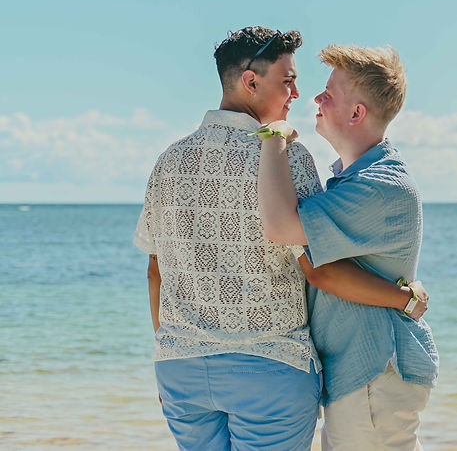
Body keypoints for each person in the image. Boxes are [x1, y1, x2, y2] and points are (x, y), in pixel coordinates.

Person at [134, 27, 426, 451]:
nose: (297, 93)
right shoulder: (287, 157)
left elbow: (154, 270)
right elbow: (317, 267)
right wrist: (404, 298)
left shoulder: (168, 161)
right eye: (287, 80)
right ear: (251, 82)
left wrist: (167, 352)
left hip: (180, 371)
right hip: (269, 367)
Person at [256, 44, 439, 451]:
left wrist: (274, 135)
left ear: (357, 113)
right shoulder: (358, 180)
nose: (316, 99)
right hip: (365, 374)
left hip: (374, 372)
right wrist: (403, 298)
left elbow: (284, 230)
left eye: (328, 94)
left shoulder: (377, 185)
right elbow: (323, 269)